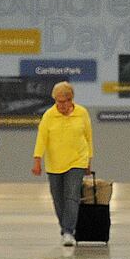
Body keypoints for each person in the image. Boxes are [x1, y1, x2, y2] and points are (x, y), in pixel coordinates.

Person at [31, 81, 93, 247]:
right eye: (58, 101)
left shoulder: (82, 113)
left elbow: (88, 137)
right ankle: (64, 227)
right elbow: (41, 139)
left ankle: (68, 231)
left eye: (65, 101)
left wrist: (89, 160)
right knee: (58, 199)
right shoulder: (49, 115)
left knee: (72, 196)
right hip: (55, 164)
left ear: (71, 99)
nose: (62, 105)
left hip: (77, 161)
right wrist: (37, 160)